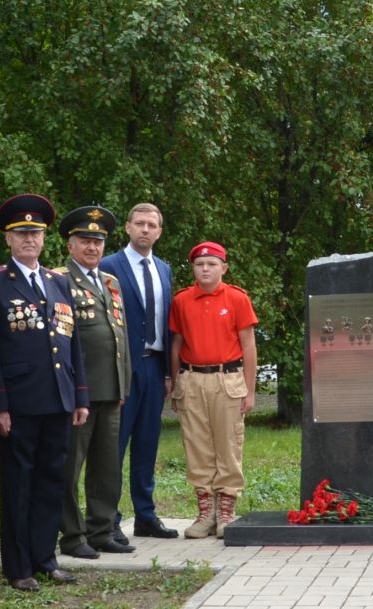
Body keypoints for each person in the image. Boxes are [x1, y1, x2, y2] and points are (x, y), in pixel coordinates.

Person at [0, 194, 89, 590]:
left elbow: (71, 341)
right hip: (20, 403)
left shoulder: (58, 282)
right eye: (21, 233)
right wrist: (0, 404)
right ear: (8, 239)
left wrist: (80, 395)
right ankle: (19, 566)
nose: (29, 240)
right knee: (19, 485)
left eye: (35, 233)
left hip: (58, 398)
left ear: (44, 239)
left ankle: (46, 558)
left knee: (51, 481)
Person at [55, 206, 134, 558]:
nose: (92, 248)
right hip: (79, 394)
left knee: (107, 466)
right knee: (71, 467)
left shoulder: (110, 282)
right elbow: (60, 342)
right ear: (70, 245)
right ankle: (72, 536)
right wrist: (70, 391)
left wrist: (124, 384)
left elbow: (121, 337)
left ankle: (101, 529)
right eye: (85, 241)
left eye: (98, 242)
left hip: (111, 389)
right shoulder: (57, 280)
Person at [168, 241, 259, 538]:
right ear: (193, 268)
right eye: (199, 264)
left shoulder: (236, 298)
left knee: (228, 444)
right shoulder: (182, 300)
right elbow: (176, 346)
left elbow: (249, 345)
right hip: (192, 380)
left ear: (224, 267)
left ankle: (226, 512)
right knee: (197, 445)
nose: (205, 269)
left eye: (211, 264)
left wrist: (250, 390)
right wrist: (175, 384)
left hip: (227, 379)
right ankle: (205, 512)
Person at [101, 203, 179, 539]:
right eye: (139, 223)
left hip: (153, 365)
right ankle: (109, 518)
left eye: (152, 225)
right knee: (114, 445)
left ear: (159, 232)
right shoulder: (108, 267)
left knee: (147, 444)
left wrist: (166, 374)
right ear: (128, 228)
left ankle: (145, 515)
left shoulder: (164, 269)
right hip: (121, 368)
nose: (145, 229)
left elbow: (165, 323)